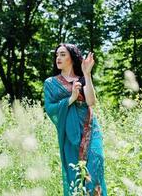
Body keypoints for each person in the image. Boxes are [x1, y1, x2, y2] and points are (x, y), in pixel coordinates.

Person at [44, 43, 107, 195]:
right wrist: (71, 99)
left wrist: (87, 74)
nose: (58, 58)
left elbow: (91, 102)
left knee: (95, 169)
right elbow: (50, 109)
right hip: (70, 134)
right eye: (57, 55)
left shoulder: (82, 79)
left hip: (90, 130)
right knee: (75, 175)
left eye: (63, 54)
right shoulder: (51, 83)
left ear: (72, 58)